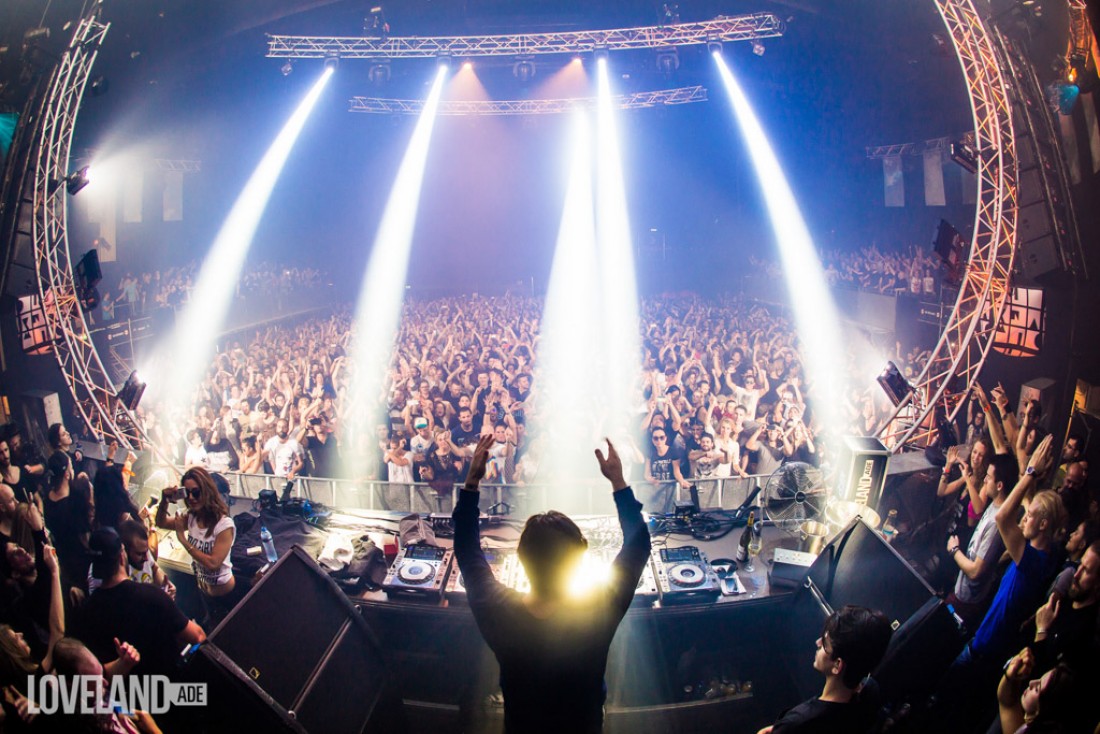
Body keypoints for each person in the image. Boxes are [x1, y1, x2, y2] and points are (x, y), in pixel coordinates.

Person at [452, 435, 651, 734]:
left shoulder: (496, 607)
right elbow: (638, 547)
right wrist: (619, 483)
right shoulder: (599, 607)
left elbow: (467, 551)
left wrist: (471, 484)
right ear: (578, 561)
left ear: (520, 558)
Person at [74, 527, 203, 679]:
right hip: (168, 685)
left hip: (129, 695)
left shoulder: (89, 609)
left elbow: (97, 671)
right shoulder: (152, 596)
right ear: (122, 556)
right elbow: (198, 636)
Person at [758, 605, 893, 734]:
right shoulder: (871, 691)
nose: (818, 642)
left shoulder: (798, 721)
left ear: (837, 665)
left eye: (825, 643)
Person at [155, 467, 239, 629]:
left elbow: (213, 563)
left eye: (196, 492)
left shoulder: (224, 524)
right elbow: (161, 522)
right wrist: (164, 501)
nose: (192, 498)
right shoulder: (192, 517)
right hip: (203, 591)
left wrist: (183, 539)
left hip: (225, 595)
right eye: (187, 493)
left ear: (206, 492)